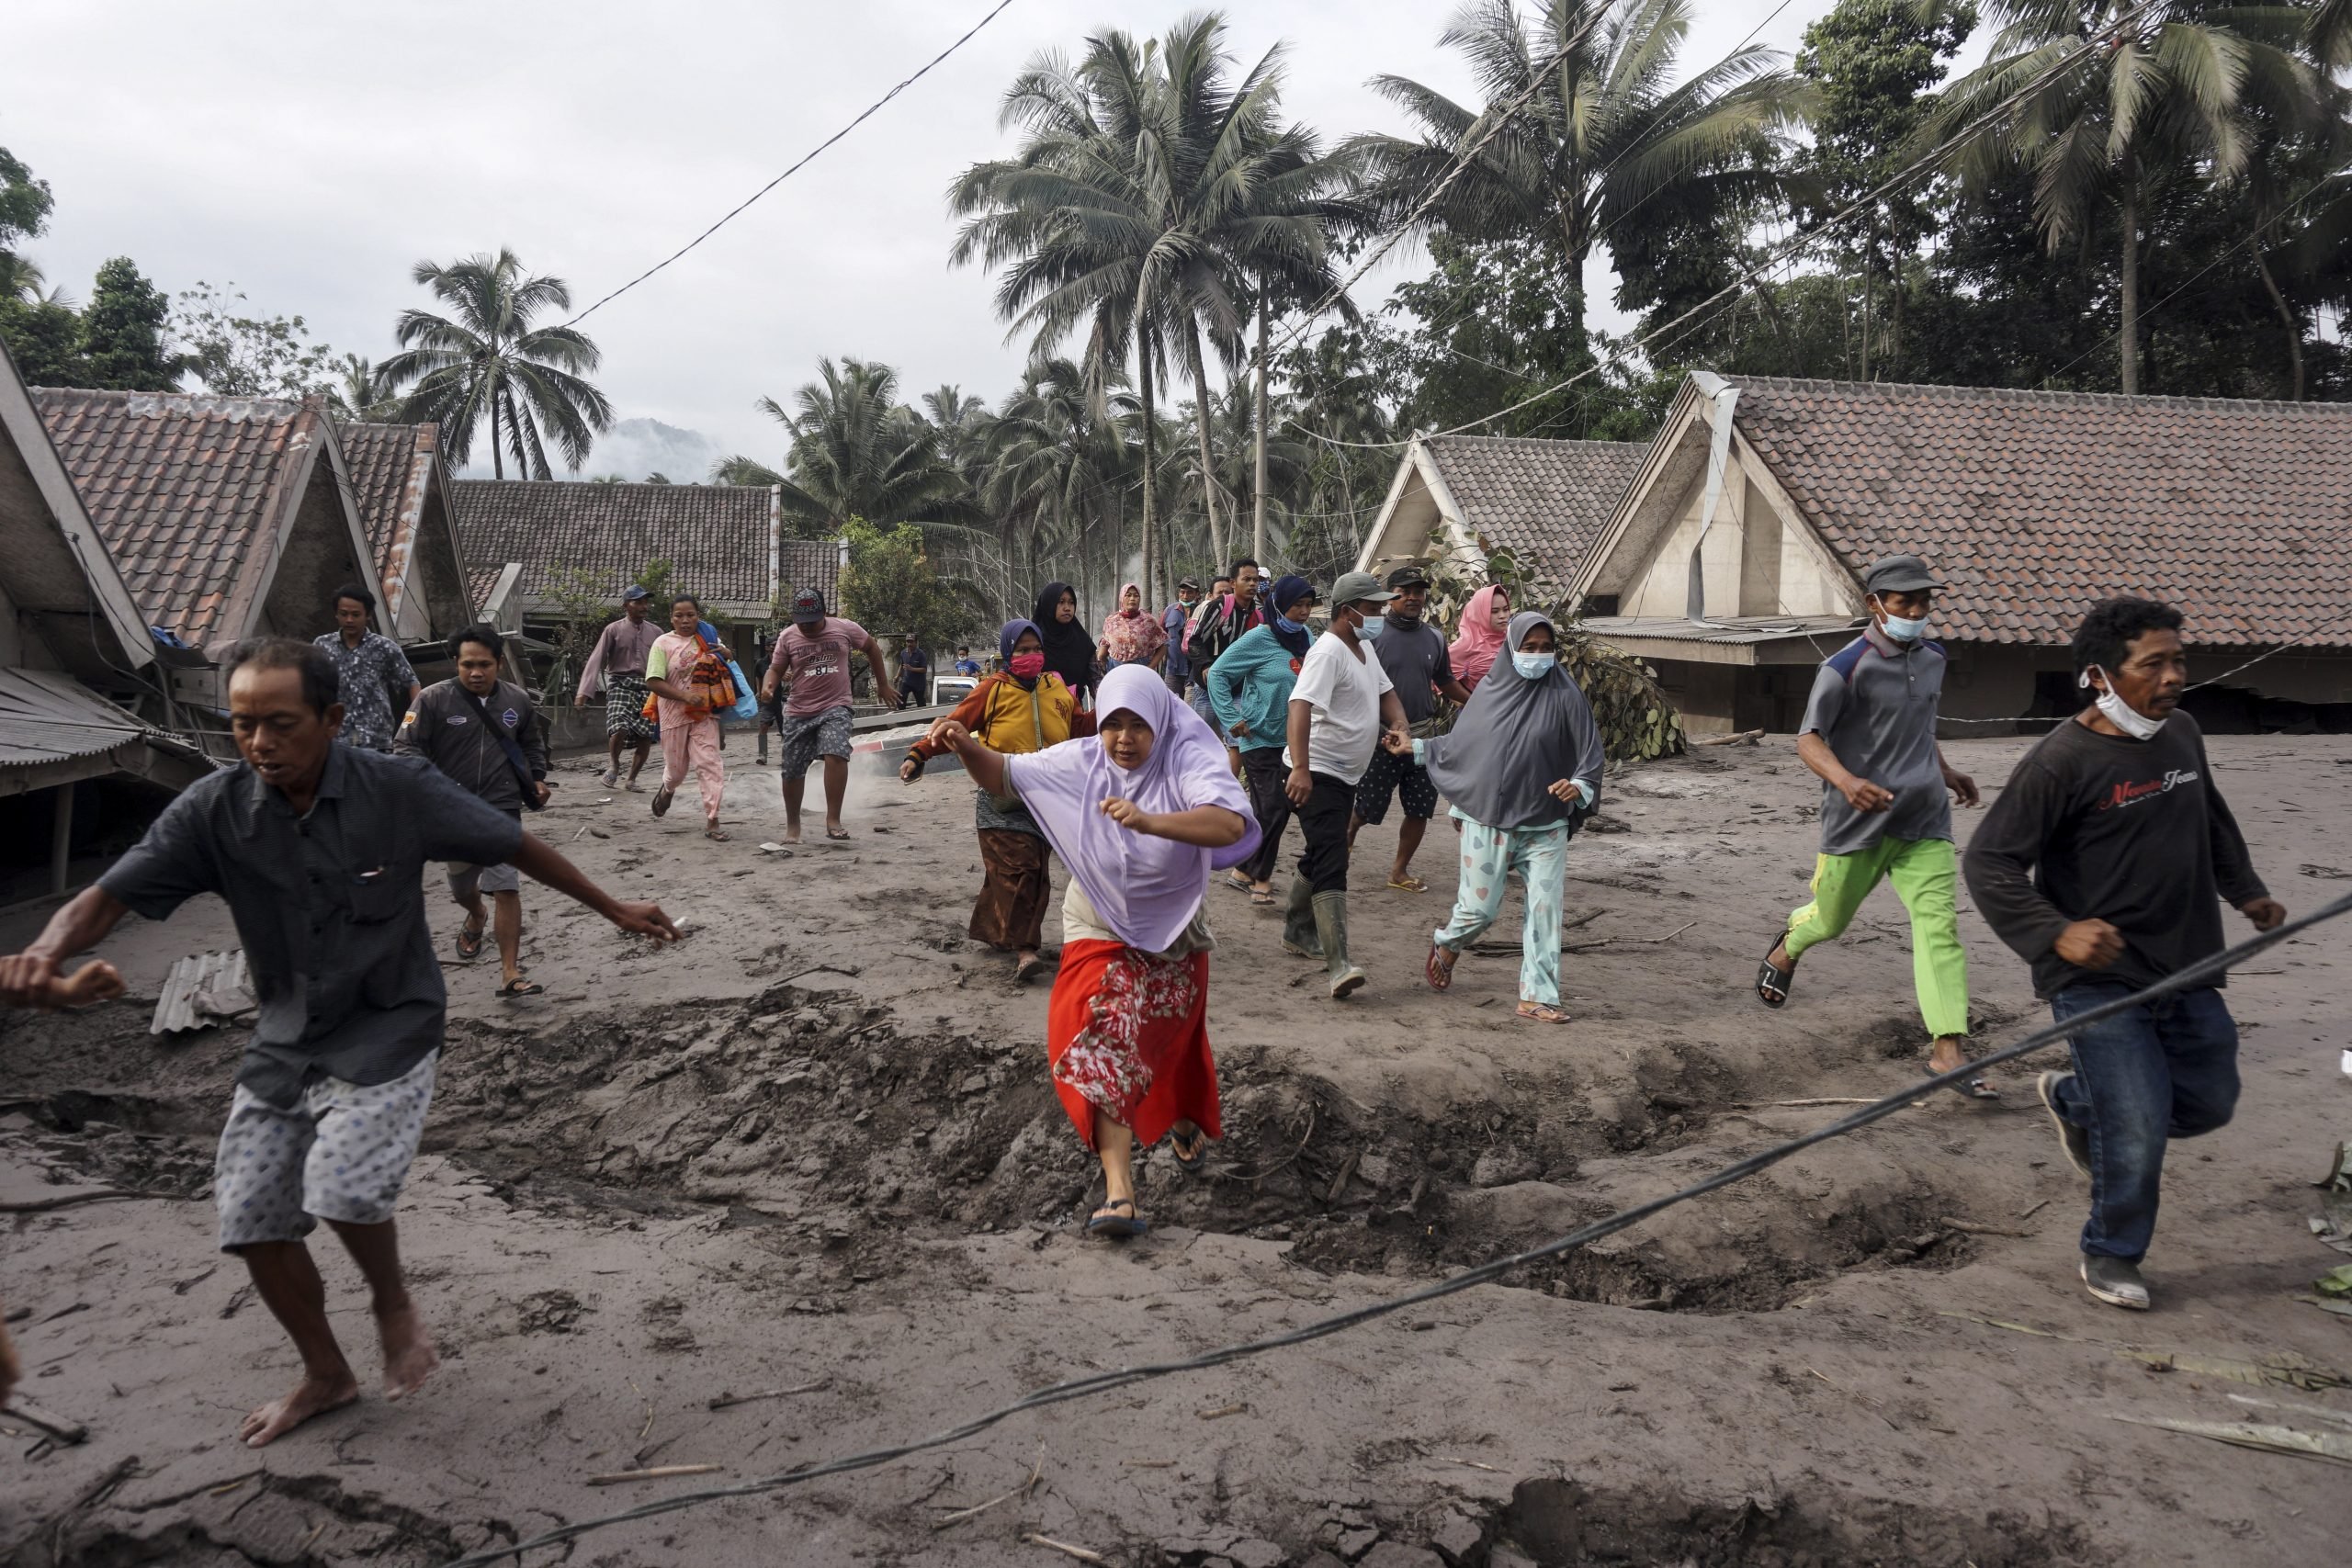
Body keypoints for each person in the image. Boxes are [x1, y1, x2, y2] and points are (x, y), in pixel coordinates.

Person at [0, 637, 674, 1448]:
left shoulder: (398, 788)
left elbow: (510, 843)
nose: (260, 744)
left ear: (332, 719)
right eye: (243, 724)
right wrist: (47, 951)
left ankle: (391, 1299)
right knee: (250, 1213)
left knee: (344, 1181)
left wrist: (614, 907)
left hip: (391, 1021)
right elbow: (108, 894)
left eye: (280, 724)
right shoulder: (216, 809)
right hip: (287, 1032)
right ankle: (326, 1371)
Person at [1963, 597, 2283, 1312]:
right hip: (2096, 974)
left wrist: (2248, 891)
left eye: (2179, 661)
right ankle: (2111, 1251)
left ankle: (2077, 1101)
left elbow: (2211, 820)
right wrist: (2057, 932)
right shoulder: (2061, 761)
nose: (2173, 677)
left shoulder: (2183, 734)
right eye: (2154, 664)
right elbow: (1989, 863)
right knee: (2137, 1119)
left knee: (2208, 1102)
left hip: (2188, 960)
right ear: (2100, 677)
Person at [920, 666, 1256, 1239]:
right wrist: (963, 743)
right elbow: (1002, 776)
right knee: (1106, 1033)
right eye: (1112, 725)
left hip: (1174, 921)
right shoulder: (1082, 760)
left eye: (1137, 726)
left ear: (1160, 722)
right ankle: (1120, 1193)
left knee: (1167, 1038)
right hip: (1099, 918)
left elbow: (1228, 824)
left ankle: (1178, 1117)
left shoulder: (1188, 757)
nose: (1124, 738)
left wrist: (1151, 820)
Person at [1753, 555, 1993, 1095]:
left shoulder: (1933, 657)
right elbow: (1808, 739)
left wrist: (1946, 770)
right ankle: (1789, 944)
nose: (1916, 610)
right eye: (1904, 601)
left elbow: (1917, 725)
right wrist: (1845, 781)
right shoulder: (1843, 667)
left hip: (1925, 817)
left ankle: (1948, 1050)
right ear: (1874, 603)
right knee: (1831, 921)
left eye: (1924, 600)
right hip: (1856, 823)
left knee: (1939, 928)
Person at [1411, 613, 1604, 1023]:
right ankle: (1448, 943)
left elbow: (1590, 753)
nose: (1538, 656)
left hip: (1546, 823)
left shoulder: (1567, 695)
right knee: (1479, 911)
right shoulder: (1489, 693)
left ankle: (1538, 996)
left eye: (1546, 648)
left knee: (1545, 908)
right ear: (1512, 649)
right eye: (1529, 648)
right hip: (1488, 819)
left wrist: (1579, 785)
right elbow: (1462, 747)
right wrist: (1414, 748)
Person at [901, 620, 1096, 983]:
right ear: (1008, 654)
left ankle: (995, 931)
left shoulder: (1056, 687)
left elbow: (1080, 727)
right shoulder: (991, 689)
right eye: (1022, 651)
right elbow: (954, 725)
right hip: (1000, 796)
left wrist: (1114, 714)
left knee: (1028, 872)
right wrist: (918, 754)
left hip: (1047, 799)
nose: (1031, 657)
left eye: (1036, 649)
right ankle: (1026, 950)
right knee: (1021, 869)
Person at [396, 624, 551, 998]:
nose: (476, 673)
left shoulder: (518, 701)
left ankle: (510, 972)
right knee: (463, 887)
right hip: (452, 809)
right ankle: (476, 913)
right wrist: (432, 786)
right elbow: (405, 749)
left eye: (484, 664)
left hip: (501, 806)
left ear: (499, 663)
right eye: (467, 665)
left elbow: (532, 745)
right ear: (457, 663)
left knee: (506, 886)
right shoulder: (432, 700)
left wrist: (539, 778)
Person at [1283, 570, 1408, 1000]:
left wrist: (1399, 725)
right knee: (1334, 857)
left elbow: (1385, 693)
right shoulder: (1328, 652)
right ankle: (1339, 964)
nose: (1378, 615)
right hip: (1317, 769)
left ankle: (1298, 929)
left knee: (1322, 849)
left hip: (1344, 773)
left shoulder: (1364, 648)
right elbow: (1299, 706)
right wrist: (1300, 768)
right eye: (1372, 609)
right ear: (1347, 612)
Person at [1351, 565, 1474, 893]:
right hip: (1382, 738)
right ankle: (1340, 849)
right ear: (1391, 596)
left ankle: (1399, 871)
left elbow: (1445, 681)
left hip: (1424, 739)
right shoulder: (1371, 636)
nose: (1412, 597)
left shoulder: (1434, 636)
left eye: (1418, 592)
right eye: (1404, 591)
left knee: (1420, 809)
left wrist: (1476, 703)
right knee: (1365, 807)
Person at [1206, 574, 1317, 907]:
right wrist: (1231, 718)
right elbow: (1218, 673)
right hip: (1259, 737)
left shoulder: (1306, 638)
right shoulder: (1259, 638)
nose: (1303, 612)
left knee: (1273, 808)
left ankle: (1243, 869)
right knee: (1272, 807)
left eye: (1308, 605)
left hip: (1292, 740)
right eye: (1297, 605)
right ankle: (1262, 878)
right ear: (1280, 605)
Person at [762, 588, 901, 842]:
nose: (807, 628)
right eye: (801, 623)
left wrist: (882, 684)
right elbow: (775, 668)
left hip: (835, 705)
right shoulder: (787, 637)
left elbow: (872, 648)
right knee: (792, 769)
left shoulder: (845, 628)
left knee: (836, 751)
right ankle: (793, 827)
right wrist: (768, 685)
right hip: (799, 710)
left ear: (824, 613)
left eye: (812, 622)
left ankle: (833, 819)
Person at [644, 594, 739, 842]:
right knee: (677, 771)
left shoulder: (707, 639)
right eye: (679, 616)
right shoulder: (662, 643)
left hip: (704, 714)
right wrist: (684, 696)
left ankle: (713, 820)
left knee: (710, 763)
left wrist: (728, 653)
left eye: (690, 615)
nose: (685, 621)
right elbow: (653, 681)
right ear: (671, 618)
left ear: (698, 616)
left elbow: (727, 660)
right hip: (673, 714)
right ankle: (668, 788)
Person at [312, 584, 418, 753]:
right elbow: (309, 685)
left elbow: (411, 683)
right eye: (343, 614)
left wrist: (411, 724)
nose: (349, 620)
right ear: (336, 614)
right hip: (335, 740)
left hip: (376, 741)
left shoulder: (385, 648)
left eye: (355, 615)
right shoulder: (322, 646)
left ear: (368, 615)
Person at [575, 584, 661, 790]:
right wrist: (584, 692)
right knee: (619, 726)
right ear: (626, 606)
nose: (643, 606)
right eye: (638, 602)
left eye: (645, 602)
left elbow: (667, 661)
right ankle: (614, 764)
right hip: (621, 683)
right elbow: (596, 658)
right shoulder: (613, 629)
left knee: (645, 736)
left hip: (647, 687)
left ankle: (631, 779)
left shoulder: (657, 632)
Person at [1032, 581, 1097, 705]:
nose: (1067, 607)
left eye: (1071, 602)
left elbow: (1095, 679)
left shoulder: (1081, 641)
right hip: (1040, 713)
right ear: (1048, 604)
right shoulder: (1033, 641)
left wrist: (1108, 707)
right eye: (1061, 602)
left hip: (1074, 712)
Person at [1448, 583, 1513, 694]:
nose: (1502, 615)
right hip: (1481, 709)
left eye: (1506, 609)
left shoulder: (1513, 638)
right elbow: (1439, 676)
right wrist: (1467, 701)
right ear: (1480, 612)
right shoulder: (1466, 644)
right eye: (1494, 611)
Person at [1099, 581, 1169, 672]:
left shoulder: (1148, 620)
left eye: (1136, 596)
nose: (1132, 599)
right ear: (1121, 598)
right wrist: (1101, 661)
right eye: (1128, 595)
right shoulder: (1111, 620)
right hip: (1116, 669)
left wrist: (1150, 667)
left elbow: (1163, 644)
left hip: (1141, 669)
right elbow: (1105, 646)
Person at [1161, 578, 1203, 694]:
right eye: (1182, 592)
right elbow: (1160, 635)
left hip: (1195, 670)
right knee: (1171, 705)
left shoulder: (1204, 610)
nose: (1185, 596)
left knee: (1191, 706)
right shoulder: (1169, 610)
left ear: (1197, 594)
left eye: (1190, 592)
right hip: (1173, 669)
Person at [898, 635, 932, 707]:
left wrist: (911, 669)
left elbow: (924, 670)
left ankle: (923, 717)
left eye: (911, 642)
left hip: (918, 683)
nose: (909, 644)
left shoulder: (921, 654)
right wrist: (897, 676)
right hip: (907, 682)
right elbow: (901, 665)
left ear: (916, 642)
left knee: (921, 704)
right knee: (900, 699)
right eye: (908, 642)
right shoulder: (903, 653)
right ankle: (901, 715)